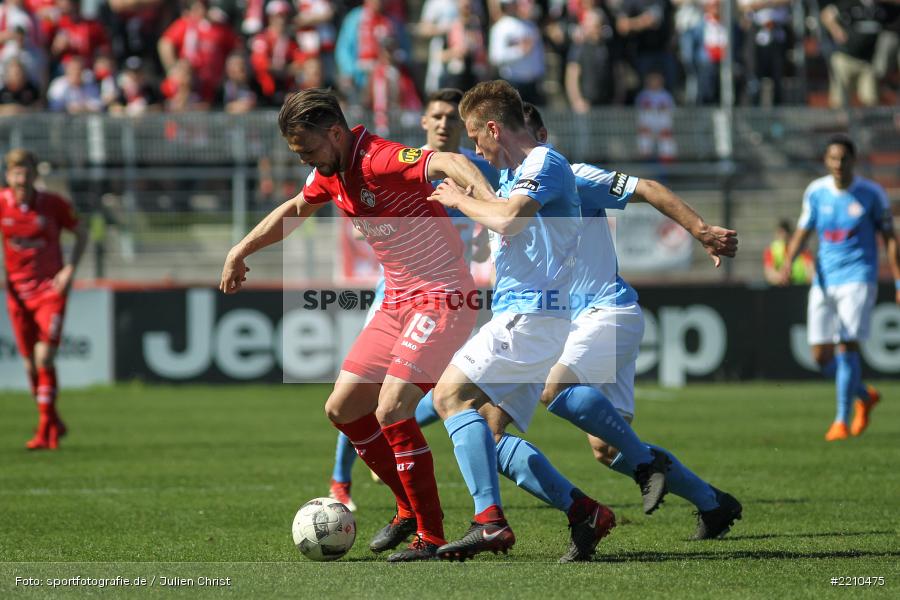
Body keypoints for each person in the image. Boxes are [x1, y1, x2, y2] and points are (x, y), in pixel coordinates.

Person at [220, 88, 498, 562]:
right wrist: (240, 250)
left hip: (442, 297)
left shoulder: (381, 158)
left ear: (335, 133)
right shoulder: (329, 172)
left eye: (307, 149)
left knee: (392, 408)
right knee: (343, 408)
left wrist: (491, 202)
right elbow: (295, 209)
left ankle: (430, 535)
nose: (304, 159)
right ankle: (407, 508)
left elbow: (449, 160)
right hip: (397, 302)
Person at [521, 102, 743, 541]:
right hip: (576, 323)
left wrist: (700, 229)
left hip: (607, 311)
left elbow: (649, 188)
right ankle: (714, 504)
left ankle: (646, 464)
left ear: (542, 137)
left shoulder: (574, 177)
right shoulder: (513, 190)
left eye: (525, 138)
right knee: (606, 448)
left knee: (553, 387)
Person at [428, 80, 610, 561]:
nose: (476, 149)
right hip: (532, 317)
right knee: (488, 433)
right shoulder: (516, 174)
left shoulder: (544, 163)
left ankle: (489, 522)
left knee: (448, 397)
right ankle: (585, 513)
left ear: (493, 128)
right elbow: (499, 208)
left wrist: (458, 199)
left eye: (476, 138)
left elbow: (509, 219)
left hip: (530, 315)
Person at [327, 87, 498, 512]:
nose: (443, 124)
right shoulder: (404, 162)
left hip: (446, 294)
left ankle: (399, 458)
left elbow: (492, 216)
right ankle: (341, 479)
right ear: (424, 121)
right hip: (394, 293)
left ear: (465, 125)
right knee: (360, 392)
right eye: (436, 116)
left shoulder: (477, 168)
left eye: (451, 118)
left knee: (443, 387)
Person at [779, 134, 899, 441]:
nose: (838, 164)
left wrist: (898, 280)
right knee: (820, 356)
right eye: (833, 158)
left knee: (846, 344)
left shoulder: (871, 194)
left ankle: (841, 421)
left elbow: (890, 238)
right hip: (824, 280)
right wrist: (788, 262)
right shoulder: (816, 192)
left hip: (858, 277)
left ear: (853, 161)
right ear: (826, 160)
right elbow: (804, 231)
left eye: (843, 159)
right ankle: (864, 396)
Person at [1, 148, 88, 450]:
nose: (21, 179)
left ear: (35, 175)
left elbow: (82, 233)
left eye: (26, 172)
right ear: (7, 176)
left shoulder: (53, 204)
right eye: (16, 173)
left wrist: (69, 270)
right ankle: (53, 420)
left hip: (50, 290)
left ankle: (43, 429)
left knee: (44, 357)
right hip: (16, 294)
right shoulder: (2, 204)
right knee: (29, 365)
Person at [763, 219, 813, 285]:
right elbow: (769, 273)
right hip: (780, 288)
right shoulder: (771, 250)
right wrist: (780, 277)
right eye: (780, 233)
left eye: (784, 233)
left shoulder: (803, 249)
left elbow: (811, 271)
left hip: (801, 286)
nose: (782, 237)